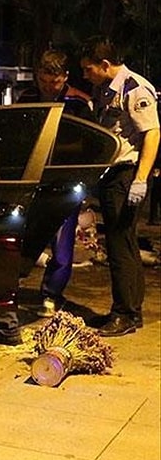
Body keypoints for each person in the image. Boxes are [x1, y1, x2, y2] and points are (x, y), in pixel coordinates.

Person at [79, 35, 159, 337]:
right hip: (115, 176)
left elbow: (152, 134)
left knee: (120, 246)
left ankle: (124, 314)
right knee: (122, 244)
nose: (86, 75)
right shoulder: (106, 90)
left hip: (127, 174)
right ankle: (129, 311)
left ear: (104, 65)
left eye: (89, 69)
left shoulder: (134, 89)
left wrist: (140, 179)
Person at [18, 49, 95, 318]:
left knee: (62, 244)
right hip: (32, 180)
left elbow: (89, 143)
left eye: (55, 82)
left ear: (65, 78)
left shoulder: (79, 103)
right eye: (44, 81)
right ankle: (14, 285)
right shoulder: (26, 98)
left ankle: (51, 294)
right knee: (24, 238)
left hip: (65, 181)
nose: (49, 87)